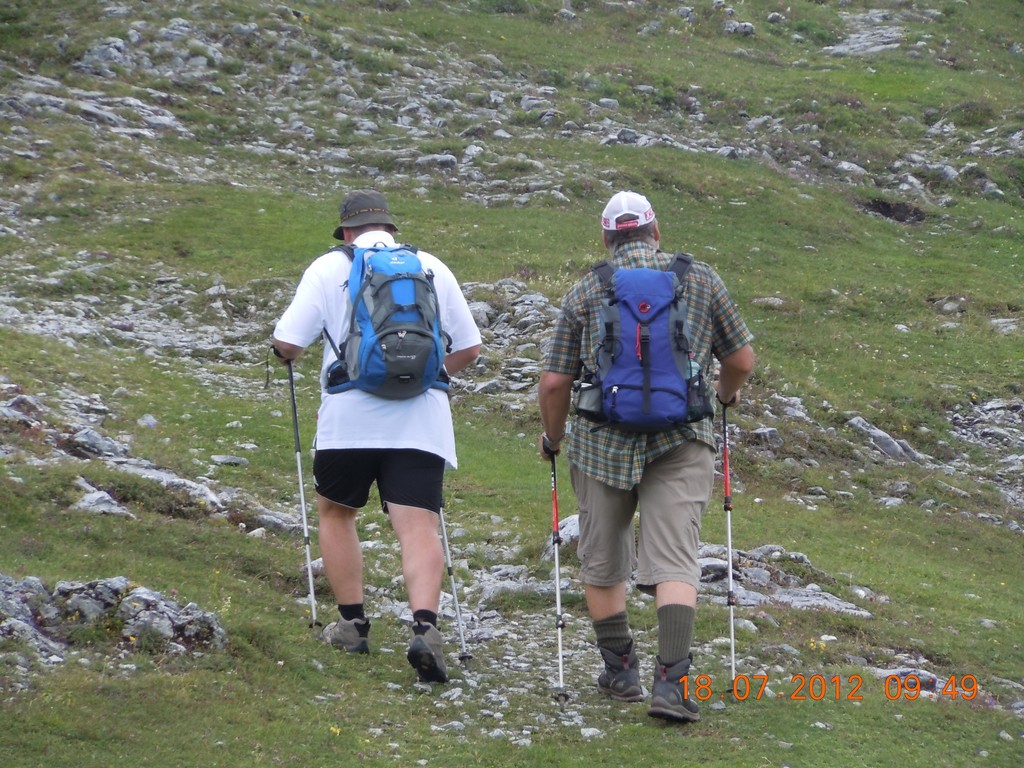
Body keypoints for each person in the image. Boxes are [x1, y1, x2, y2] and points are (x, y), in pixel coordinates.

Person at [537, 190, 755, 722]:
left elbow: (554, 382)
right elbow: (742, 360)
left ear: (606, 239)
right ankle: (671, 685)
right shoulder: (700, 279)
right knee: (677, 557)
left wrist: (554, 438)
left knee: (603, 557)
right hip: (683, 438)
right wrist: (724, 395)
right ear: (656, 233)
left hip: (600, 443)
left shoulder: (587, 288)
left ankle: (620, 673)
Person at [271, 190, 482, 684]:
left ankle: (352, 625)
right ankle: (426, 628)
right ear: (390, 227)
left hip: (348, 419)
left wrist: (281, 355)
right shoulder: (430, 267)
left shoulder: (328, 268)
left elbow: (289, 342)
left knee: (336, 512)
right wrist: (424, 379)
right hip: (421, 422)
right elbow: (470, 348)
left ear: (347, 232)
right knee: (418, 526)